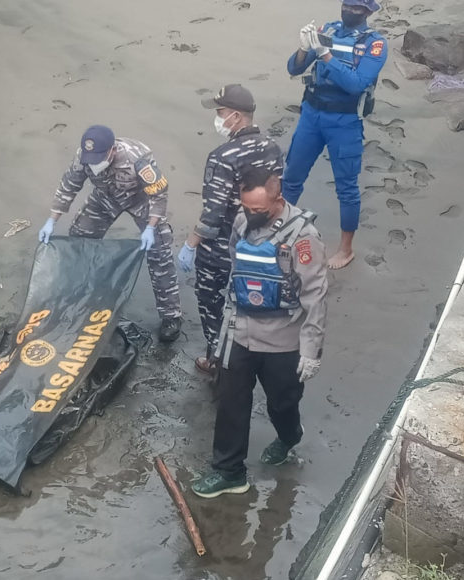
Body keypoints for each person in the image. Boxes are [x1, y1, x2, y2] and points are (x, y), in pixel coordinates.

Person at [191, 167, 327, 499]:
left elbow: (315, 295)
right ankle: (229, 471)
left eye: (258, 210)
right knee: (230, 401)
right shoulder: (242, 221)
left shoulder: (303, 238)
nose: (251, 215)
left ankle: (289, 436)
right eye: (246, 207)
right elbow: (237, 268)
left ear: (279, 199)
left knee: (282, 403)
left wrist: (310, 350)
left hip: (283, 338)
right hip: (240, 330)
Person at [38, 125, 183, 342]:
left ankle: (171, 315)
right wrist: (52, 220)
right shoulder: (84, 156)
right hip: (105, 196)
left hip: (140, 199)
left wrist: (151, 227)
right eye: (91, 158)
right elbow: (69, 185)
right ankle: (78, 293)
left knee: (159, 251)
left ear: (112, 150)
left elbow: (159, 195)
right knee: (79, 238)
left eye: (99, 158)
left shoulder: (138, 160)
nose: (94, 163)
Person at [177, 84, 284, 376]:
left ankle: (217, 356)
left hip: (224, 244)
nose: (218, 117)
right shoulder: (272, 147)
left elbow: (212, 213)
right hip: (262, 240)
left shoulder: (223, 156)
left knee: (211, 298)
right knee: (249, 300)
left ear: (236, 117)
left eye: (220, 112)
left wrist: (191, 244)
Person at [282, 0, 387, 270]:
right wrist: (305, 48)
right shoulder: (328, 30)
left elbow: (355, 84)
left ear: (367, 12)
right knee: (292, 175)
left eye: (356, 7)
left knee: (347, 188)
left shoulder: (374, 44)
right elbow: (294, 68)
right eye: (347, 4)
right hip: (311, 113)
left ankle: (346, 249)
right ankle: (279, 231)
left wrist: (326, 55)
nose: (349, 10)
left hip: (345, 120)